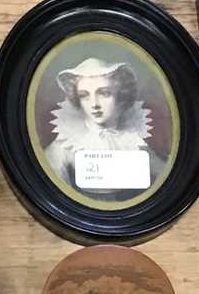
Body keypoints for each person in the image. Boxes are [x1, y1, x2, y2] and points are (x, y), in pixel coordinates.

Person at [43, 55, 165, 198]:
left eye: (104, 93)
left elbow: (168, 179)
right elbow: (55, 197)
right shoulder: (63, 149)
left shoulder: (134, 142)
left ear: (120, 95)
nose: (94, 104)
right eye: (84, 95)